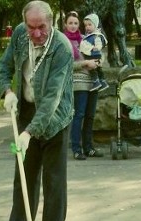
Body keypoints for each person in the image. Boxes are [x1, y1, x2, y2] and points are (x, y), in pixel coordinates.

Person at [0, 0, 74, 221]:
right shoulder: (19, 34)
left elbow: (52, 98)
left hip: (55, 120)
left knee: (54, 182)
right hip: (26, 112)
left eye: (42, 27)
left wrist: (29, 133)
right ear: (24, 23)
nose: (37, 33)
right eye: (32, 27)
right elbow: (5, 66)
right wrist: (6, 91)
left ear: (51, 23)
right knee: (24, 180)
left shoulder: (61, 48)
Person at [63, 10, 104, 160]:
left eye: (75, 23)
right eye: (70, 23)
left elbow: (99, 54)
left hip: (93, 81)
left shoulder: (86, 39)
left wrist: (99, 62)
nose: (73, 26)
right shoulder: (64, 41)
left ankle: (89, 147)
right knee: (79, 115)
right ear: (65, 24)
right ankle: (76, 148)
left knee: (90, 116)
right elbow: (66, 64)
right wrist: (85, 63)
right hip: (78, 82)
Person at [79, 13, 109, 93]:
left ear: (95, 25)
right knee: (98, 69)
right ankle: (103, 82)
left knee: (92, 68)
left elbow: (98, 42)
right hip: (95, 54)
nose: (87, 27)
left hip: (93, 54)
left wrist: (97, 47)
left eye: (89, 25)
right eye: (86, 25)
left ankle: (96, 82)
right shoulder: (89, 35)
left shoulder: (96, 35)